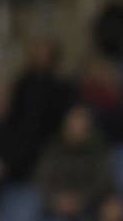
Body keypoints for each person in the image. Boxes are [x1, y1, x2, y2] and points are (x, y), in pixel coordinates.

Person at [7, 38, 77, 179]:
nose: (41, 57)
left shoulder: (62, 85)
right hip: (24, 146)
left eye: (45, 53)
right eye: (38, 52)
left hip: (52, 146)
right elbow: (14, 116)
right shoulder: (23, 84)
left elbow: (65, 116)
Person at [35, 105, 113, 220]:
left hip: (89, 206)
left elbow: (102, 179)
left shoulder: (98, 148)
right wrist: (57, 199)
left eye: (82, 120)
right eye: (74, 119)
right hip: (55, 204)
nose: (77, 124)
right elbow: (42, 176)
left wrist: (81, 199)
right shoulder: (53, 146)